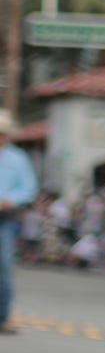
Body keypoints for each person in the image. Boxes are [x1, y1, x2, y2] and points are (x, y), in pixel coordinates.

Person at [0, 138, 34, 333]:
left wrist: (11, 200)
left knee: (4, 267)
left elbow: (28, 187)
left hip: (4, 217)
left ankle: (2, 317)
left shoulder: (17, 158)